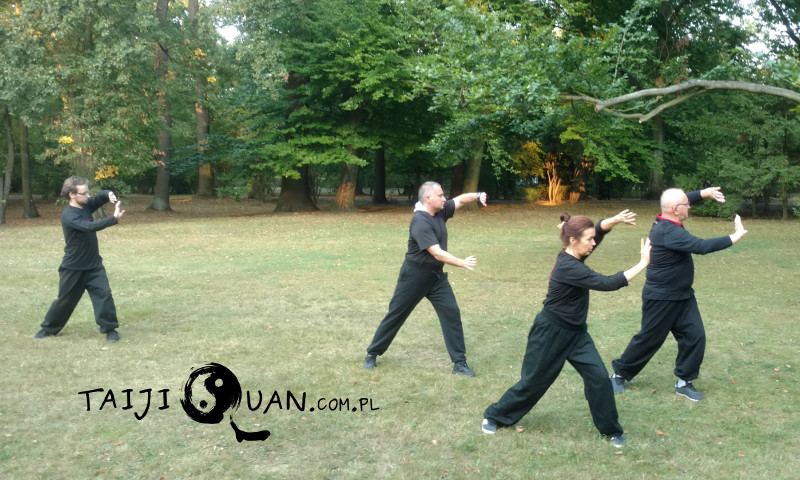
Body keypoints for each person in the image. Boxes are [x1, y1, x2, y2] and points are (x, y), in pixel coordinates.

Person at [481, 210, 650, 448]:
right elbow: (608, 283)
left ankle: (611, 431)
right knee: (533, 382)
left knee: (599, 379)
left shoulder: (576, 254)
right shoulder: (569, 267)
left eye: (593, 238)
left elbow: (597, 233)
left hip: (577, 334)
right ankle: (494, 416)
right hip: (551, 333)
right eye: (589, 240)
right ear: (573, 240)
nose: (593, 243)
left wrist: (614, 221)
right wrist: (643, 263)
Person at [610, 187, 748, 402]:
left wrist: (704, 193)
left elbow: (682, 201)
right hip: (661, 298)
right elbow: (701, 246)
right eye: (686, 205)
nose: (689, 206)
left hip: (683, 296)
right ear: (675, 210)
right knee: (649, 339)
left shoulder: (667, 218)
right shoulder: (668, 232)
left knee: (695, 336)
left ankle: (684, 381)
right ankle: (619, 374)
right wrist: (735, 236)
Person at [363, 181, 487, 376]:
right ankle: (372, 353)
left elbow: (461, 200)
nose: (444, 199)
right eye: (440, 195)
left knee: (451, 313)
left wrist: (478, 195)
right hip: (414, 277)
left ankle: (459, 363)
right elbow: (436, 253)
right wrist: (461, 262)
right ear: (428, 198)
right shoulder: (420, 222)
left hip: (436, 278)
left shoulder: (440, 211)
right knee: (396, 314)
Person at [35, 176, 126, 342]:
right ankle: (48, 329)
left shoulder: (86, 205)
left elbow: (100, 196)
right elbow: (89, 227)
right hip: (73, 267)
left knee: (104, 295)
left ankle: (110, 329)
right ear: (72, 195)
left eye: (87, 192)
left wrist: (109, 194)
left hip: (94, 266)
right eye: (84, 193)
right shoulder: (69, 216)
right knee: (65, 301)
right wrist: (113, 219)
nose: (88, 195)